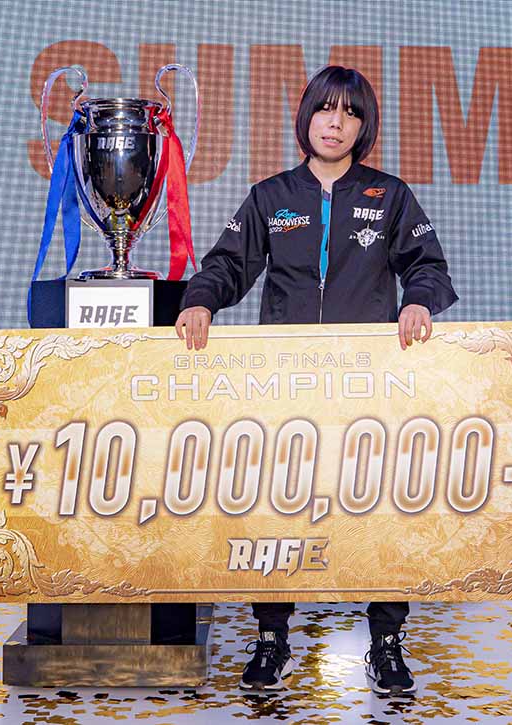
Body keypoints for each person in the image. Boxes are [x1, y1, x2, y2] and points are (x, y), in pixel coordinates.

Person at [175, 66, 458, 695]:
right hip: (287, 385)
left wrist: (419, 300)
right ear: (306, 117)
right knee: (279, 507)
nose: (337, 123)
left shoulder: (391, 195)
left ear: (364, 126)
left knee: (382, 506)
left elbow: (428, 266)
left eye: (351, 113)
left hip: (369, 384)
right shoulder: (270, 197)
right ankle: (271, 636)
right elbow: (226, 265)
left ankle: (387, 641)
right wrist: (200, 301)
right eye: (327, 110)